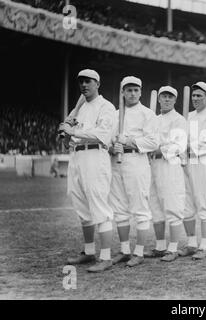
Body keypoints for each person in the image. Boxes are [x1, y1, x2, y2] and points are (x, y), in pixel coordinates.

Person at [59, 69, 116, 272]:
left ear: (97, 84)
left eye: (89, 81)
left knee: (99, 205)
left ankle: (106, 257)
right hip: (77, 156)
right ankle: (89, 251)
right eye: (81, 81)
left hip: (95, 155)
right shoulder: (80, 108)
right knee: (81, 204)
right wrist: (65, 134)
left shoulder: (106, 106)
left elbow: (102, 134)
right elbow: (70, 140)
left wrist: (73, 130)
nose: (84, 85)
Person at [109, 76, 159, 267]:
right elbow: (107, 139)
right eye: (128, 90)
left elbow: (153, 142)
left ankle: (138, 252)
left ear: (140, 92)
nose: (132, 93)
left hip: (137, 160)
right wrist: (113, 146)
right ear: (122, 92)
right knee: (119, 208)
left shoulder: (147, 114)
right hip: (117, 161)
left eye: (135, 90)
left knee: (140, 208)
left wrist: (128, 141)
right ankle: (124, 250)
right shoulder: (114, 114)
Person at [145, 86, 188, 262]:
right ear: (159, 99)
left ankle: (173, 248)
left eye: (170, 96)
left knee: (172, 205)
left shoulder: (179, 120)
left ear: (175, 100)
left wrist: (159, 148)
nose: (167, 99)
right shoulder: (152, 119)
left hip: (169, 163)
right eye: (164, 96)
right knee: (155, 205)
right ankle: (160, 246)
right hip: (152, 164)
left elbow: (179, 145)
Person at [179, 82, 206, 260]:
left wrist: (187, 146)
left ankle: (205, 245)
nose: (195, 99)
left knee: (205, 203)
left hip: (203, 162)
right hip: (185, 163)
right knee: (186, 205)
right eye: (193, 95)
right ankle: (191, 243)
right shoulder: (187, 117)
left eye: (199, 96)